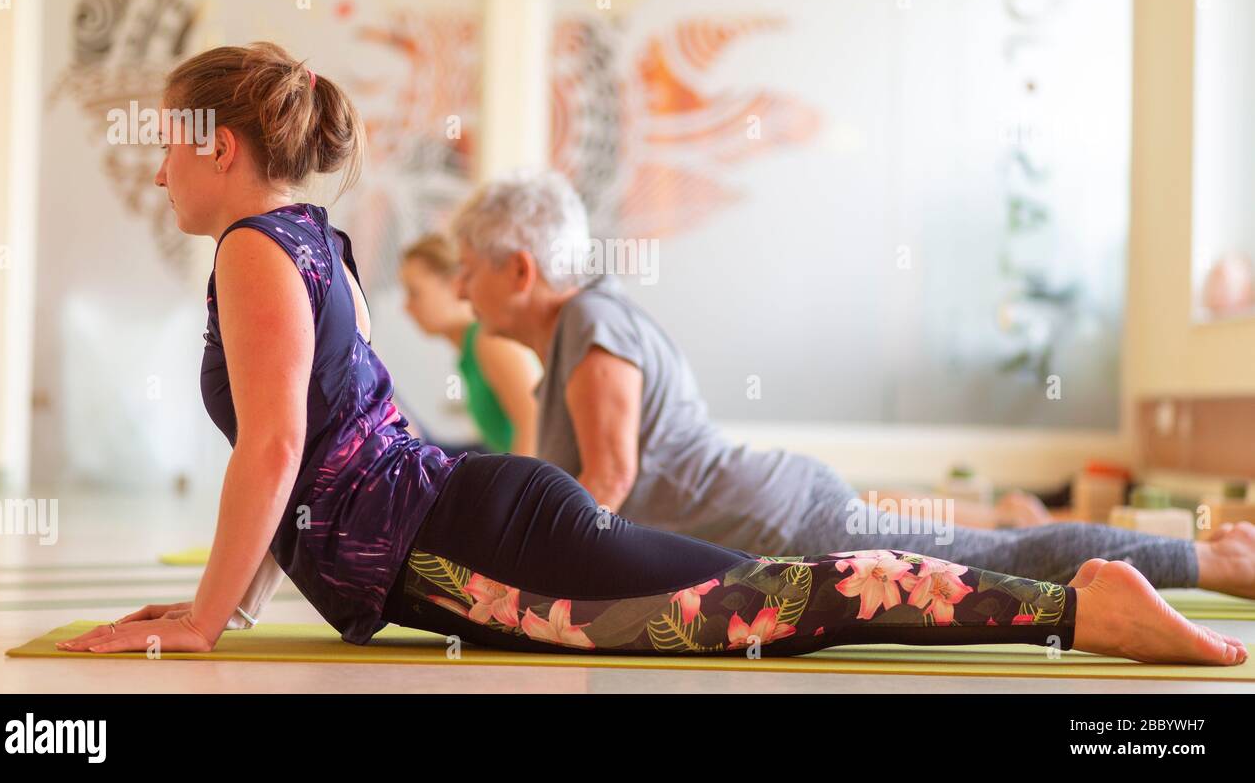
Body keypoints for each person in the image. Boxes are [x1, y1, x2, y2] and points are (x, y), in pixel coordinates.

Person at [55, 42, 1246, 667]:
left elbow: (273, 446)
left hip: (484, 535)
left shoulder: (253, 252)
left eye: (165, 146)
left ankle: (1077, 607)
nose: (156, 172)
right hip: (479, 518)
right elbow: (317, 455)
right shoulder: (309, 239)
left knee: (773, 608)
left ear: (213, 144)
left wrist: (209, 618)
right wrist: (235, 604)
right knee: (778, 601)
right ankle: (1075, 602)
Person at [447, 171, 1255, 599]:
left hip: (787, 521)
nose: (457, 289)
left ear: (520, 270)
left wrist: (527, 581)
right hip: (779, 512)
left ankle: (1216, 562)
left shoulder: (591, 323)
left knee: (1009, 562)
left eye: (467, 269)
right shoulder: (580, 333)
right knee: (1003, 555)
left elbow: (608, 483)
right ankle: (1213, 553)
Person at [399, 232, 540, 455]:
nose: (406, 307)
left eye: (414, 292)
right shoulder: (470, 350)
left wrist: (518, 490)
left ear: (454, 284)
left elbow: (535, 425)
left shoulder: (490, 342)